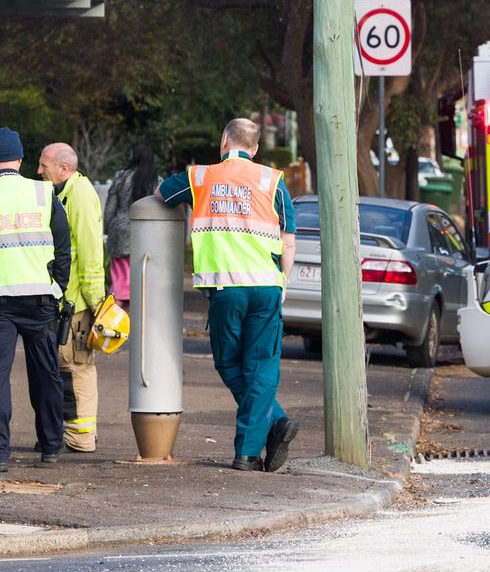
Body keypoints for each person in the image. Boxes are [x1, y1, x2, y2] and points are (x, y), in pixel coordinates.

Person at [159, 119, 298, 472]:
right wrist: (283, 283)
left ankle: (257, 442)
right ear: (255, 149)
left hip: (225, 288)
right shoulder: (272, 180)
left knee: (228, 362)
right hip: (267, 286)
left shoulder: (200, 177)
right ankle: (259, 439)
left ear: (223, 141)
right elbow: (289, 240)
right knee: (262, 366)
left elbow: (163, 193)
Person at [0, 128, 71, 470]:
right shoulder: (43, 193)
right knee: (46, 374)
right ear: (20, 158)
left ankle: (0, 453)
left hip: (1, 302)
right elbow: (63, 248)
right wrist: (60, 288)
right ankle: (50, 447)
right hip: (40, 300)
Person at [38, 142, 104, 453]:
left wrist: (95, 300)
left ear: (64, 168)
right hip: (66, 299)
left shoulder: (79, 195)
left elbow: (91, 252)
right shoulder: (65, 193)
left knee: (76, 368)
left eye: (44, 165)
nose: (39, 171)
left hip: (77, 301)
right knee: (63, 367)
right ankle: (69, 433)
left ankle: (81, 437)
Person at [103, 144, 159, 308]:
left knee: (120, 278)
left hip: (120, 231)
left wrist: (107, 229)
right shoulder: (156, 180)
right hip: (146, 234)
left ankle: (112, 322)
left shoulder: (121, 177)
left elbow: (110, 207)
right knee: (141, 278)